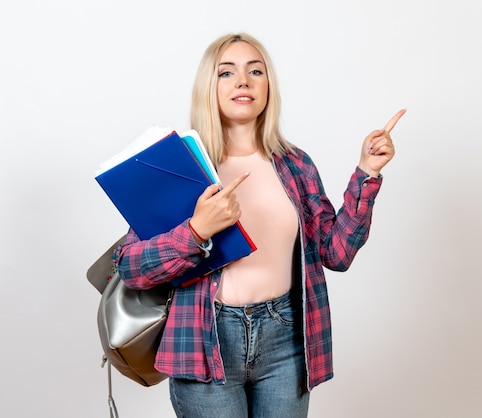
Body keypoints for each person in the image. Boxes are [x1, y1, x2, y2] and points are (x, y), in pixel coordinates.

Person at [115, 32, 405, 418]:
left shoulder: (295, 164)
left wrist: (366, 174)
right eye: (226, 73)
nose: (243, 81)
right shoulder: (181, 166)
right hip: (205, 340)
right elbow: (131, 267)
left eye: (256, 70)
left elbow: (336, 254)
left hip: (286, 338)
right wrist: (196, 230)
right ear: (209, 86)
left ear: (269, 86)